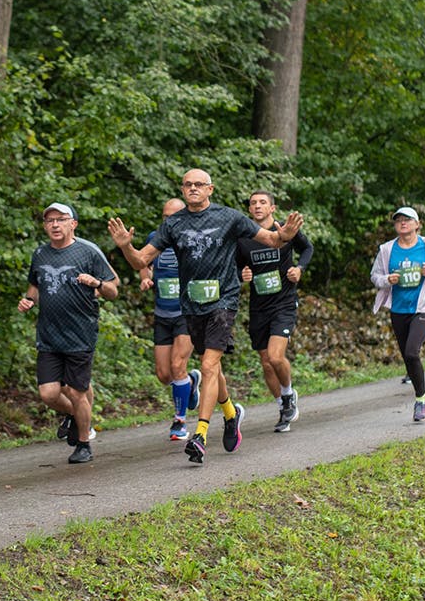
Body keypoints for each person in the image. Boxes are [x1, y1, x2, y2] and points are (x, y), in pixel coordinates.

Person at [109, 170, 303, 465]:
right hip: (192, 305)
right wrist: (125, 245)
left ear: (210, 189)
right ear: (183, 190)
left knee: (209, 364)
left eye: (199, 184)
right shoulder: (173, 224)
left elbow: (272, 240)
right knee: (214, 369)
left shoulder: (230, 217)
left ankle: (199, 436)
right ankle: (231, 413)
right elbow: (140, 260)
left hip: (223, 301)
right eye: (188, 185)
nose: (193, 189)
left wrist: (285, 236)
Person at [19, 202, 119, 465]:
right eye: (49, 220)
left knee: (76, 392)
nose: (54, 224)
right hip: (49, 335)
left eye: (60, 219)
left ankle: (84, 443)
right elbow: (34, 286)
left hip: (80, 333)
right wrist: (28, 301)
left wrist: (96, 283)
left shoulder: (87, 252)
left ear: (72, 223)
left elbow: (113, 289)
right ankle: (77, 417)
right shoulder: (40, 254)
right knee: (48, 394)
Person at [237, 190, 314, 432]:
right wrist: (243, 274)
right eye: (253, 203)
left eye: (262, 202)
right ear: (250, 209)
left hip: (284, 302)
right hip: (259, 306)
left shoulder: (285, 230)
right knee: (266, 362)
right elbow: (237, 265)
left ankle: (289, 393)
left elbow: (308, 248)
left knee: (275, 356)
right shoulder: (243, 236)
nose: (257, 206)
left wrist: (299, 268)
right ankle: (283, 406)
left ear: (272, 208)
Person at [371, 207, 425, 420]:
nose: (402, 223)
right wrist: (386, 279)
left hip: (424, 305)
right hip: (398, 308)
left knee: (411, 352)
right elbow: (375, 276)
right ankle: (424, 394)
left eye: (407, 220)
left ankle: (421, 399)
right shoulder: (387, 249)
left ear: (417, 224)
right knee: (407, 357)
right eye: (398, 220)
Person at [137, 199, 201, 442]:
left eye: (174, 216)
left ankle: (180, 421)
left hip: (187, 313)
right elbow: (143, 263)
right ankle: (191, 381)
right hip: (163, 314)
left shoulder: (196, 239)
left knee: (177, 366)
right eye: (165, 217)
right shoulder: (156, 237)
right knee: (164, 375)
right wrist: (146, 277)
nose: (169, 221)